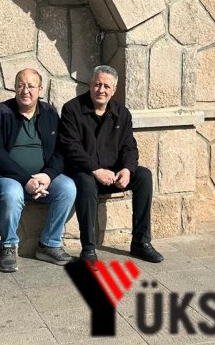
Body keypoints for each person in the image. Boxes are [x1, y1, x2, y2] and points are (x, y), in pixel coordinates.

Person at [59, 65, 162, 264]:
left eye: (106, 86)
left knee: (144, 176)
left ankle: (141, 242)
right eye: (97, 84)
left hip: (113, 173)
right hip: (85, 172)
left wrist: (127, 169)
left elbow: (129, 147)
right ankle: (88, 248)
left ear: (113, 90)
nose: (101, 90)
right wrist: (96, 170)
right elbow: (71, 147)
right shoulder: (72, 109)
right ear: (90, 84)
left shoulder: (122, 114)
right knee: (86, 183)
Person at [0, 69, 76, 271]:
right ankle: (8, 246)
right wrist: (26, 179)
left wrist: (48, 175)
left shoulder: (50, 113)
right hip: (9, 177)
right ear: (14, 88)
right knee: (12, 192)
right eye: (21, 85)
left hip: (43, 177)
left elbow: (61, 149)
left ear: (40, 89)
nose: (25, 91)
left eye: (31, 86)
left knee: (68, 188)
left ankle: (49, 244)